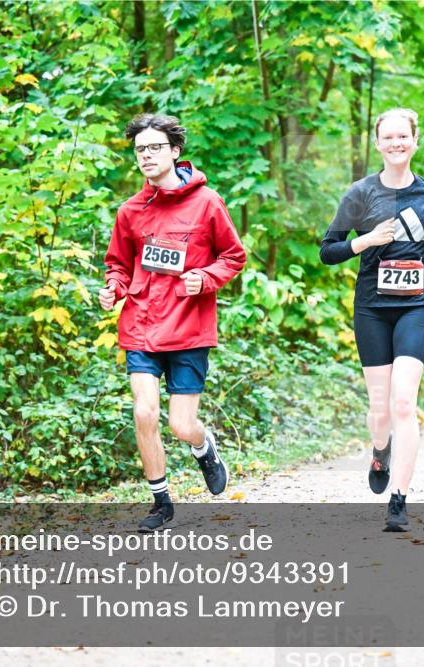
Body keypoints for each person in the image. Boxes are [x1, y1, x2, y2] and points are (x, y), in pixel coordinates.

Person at [100, 113, 247, 532]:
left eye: (154, 148)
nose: (146, 155)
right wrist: (114, 287)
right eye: (140, 150)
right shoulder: (130, 211)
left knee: (181, 425)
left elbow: (233, 256)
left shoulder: (207, 203)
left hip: (188, 327)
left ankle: (204, 447)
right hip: (142, 325)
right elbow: (118, 264)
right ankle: (161, 502)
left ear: (175, 151)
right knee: (144, 412)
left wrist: (206, 278)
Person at [320, 108, 424, 532]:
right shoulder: (360, 194)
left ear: (415, 140)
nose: (397, 143)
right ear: (377, 143)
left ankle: (399, 499)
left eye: (403, 136)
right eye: (389, 137)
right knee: (380, 410)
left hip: (417, 306)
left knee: (403, 402)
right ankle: (380, 450)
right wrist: (366, 240)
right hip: (372, 309)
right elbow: (327, 251)